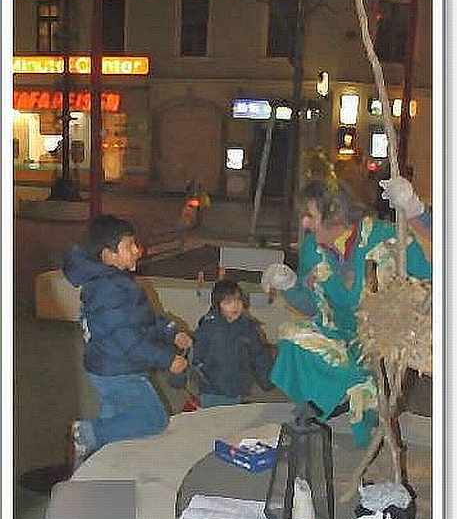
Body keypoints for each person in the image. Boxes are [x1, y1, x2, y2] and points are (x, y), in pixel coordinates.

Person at [263, 177, 431, 448]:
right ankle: (328, 402)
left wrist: (416, 211)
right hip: (339, 336)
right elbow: (310, 305)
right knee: (291, 336)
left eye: (310, 216)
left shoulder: (386, 238)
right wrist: (289, 285)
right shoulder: (312, 248)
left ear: (335, 213)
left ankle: (360, 400)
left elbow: (434, 271)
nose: (304, 224)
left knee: (368, 387)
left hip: (380, 343)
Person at [62, 214, 192, 470]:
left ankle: (103, 461)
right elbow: (129, 340)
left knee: (117, 419)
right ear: (108, 255)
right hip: (119, 370)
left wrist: (171, 332)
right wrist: (168, 359)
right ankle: (86, 434)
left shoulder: (113, 284)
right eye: (129, 245)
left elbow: (143, 319)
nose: (137, 250)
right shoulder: (110, 290)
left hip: (106, 366)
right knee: (153, 419)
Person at [192, 279, 273, 407]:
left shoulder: (247, 327)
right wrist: (204, 377)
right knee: (216, 417)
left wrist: (266, 380)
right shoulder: (208, 328)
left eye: (238, 300)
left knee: (233, 414)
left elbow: (258, 354)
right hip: (212, 391)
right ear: (218, 305)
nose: (235, 306)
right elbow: (196, 358)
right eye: (228, 302)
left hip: (237, 387)